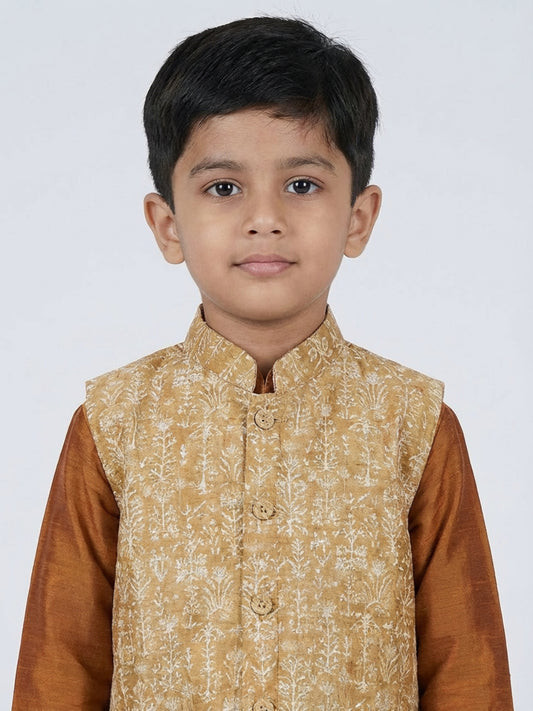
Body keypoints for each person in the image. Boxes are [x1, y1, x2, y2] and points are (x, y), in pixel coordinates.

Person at [12, 16, 513, 711]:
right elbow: (59, 668)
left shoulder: (413, 424)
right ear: (167, 224)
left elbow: (469, 672)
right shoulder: (114, 424)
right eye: (224, 188)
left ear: (358, 216)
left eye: (302, 185)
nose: (265, 217)